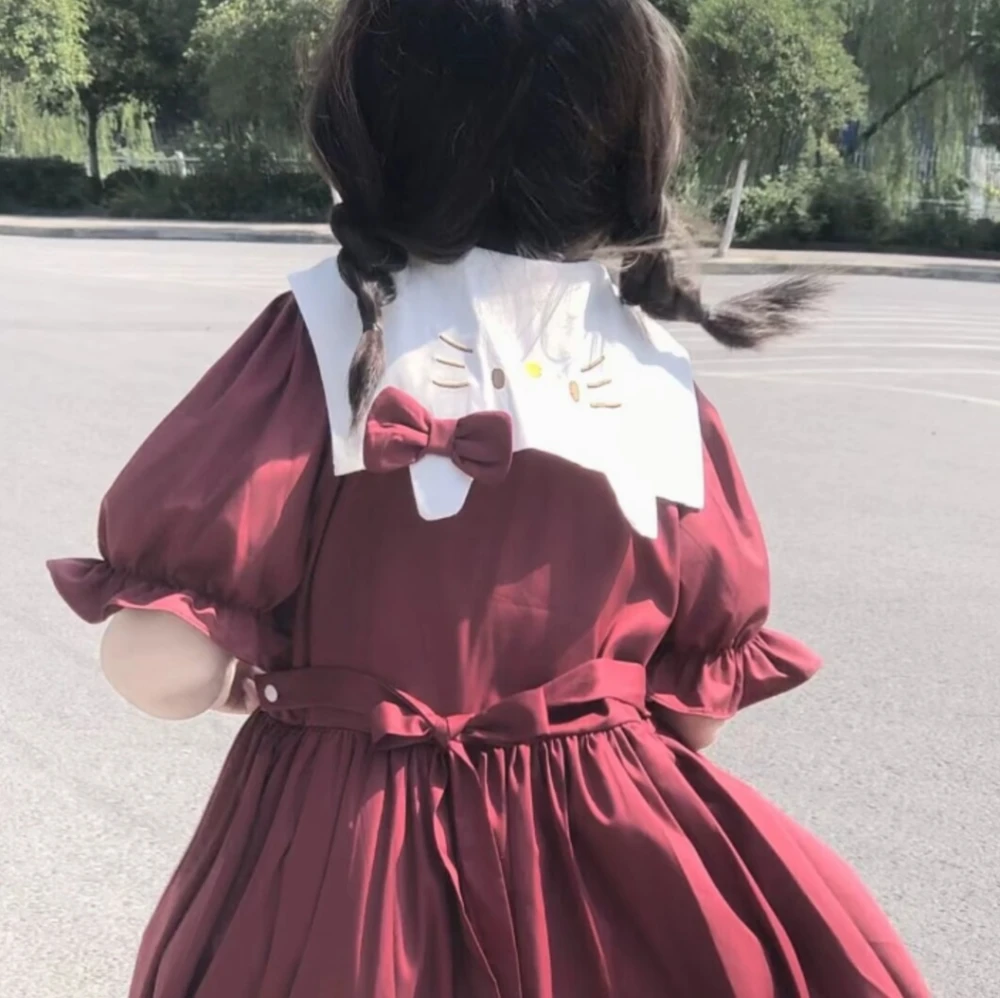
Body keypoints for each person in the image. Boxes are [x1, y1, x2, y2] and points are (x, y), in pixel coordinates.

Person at [49, 1, 931, 995]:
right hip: (598, 851)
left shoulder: (328, 333)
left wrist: (231, 685)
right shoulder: (650, 368)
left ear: (367, 115)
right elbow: (694, 713)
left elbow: (162, 660)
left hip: (344, 847)